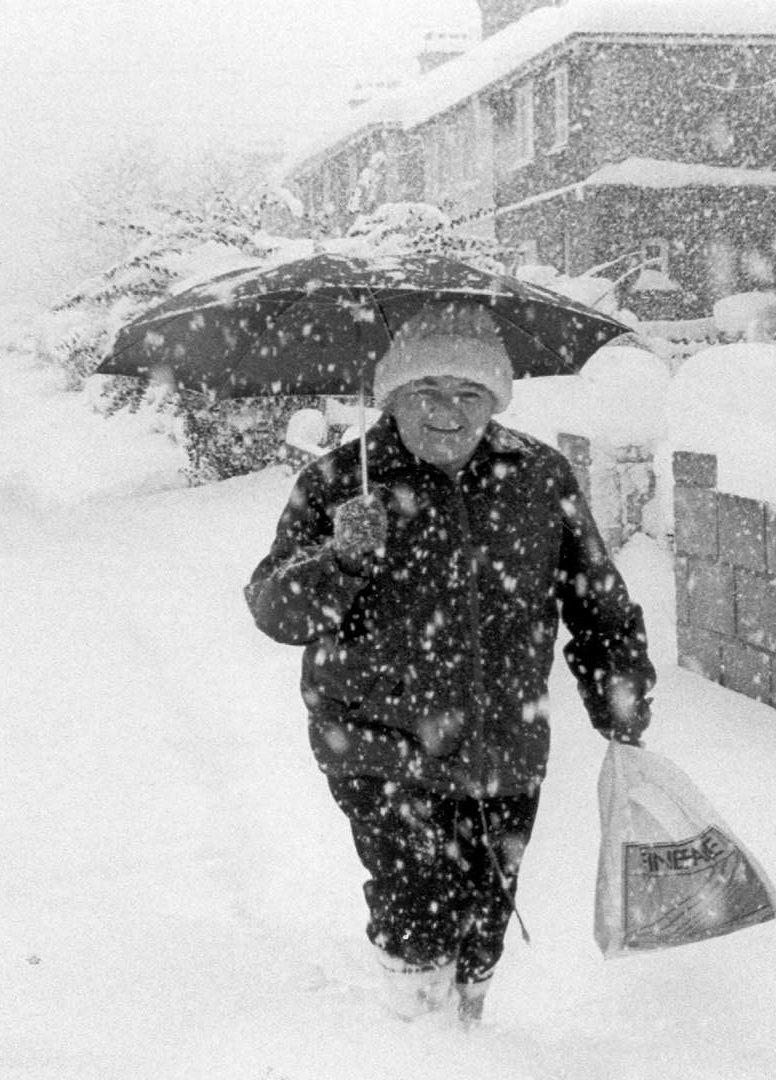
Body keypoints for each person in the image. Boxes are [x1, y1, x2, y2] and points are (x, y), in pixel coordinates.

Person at [244, 304, 656, 1026]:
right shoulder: (341, 482)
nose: (447, 411)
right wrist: (338, 559)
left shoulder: (537, 475)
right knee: (417, 904)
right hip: (379, 742)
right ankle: (418, 1039)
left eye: (469, 395)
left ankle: (463, 1031)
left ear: (494, 402)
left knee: (485, 912)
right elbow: (276, 612)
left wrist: (620, 696)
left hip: (505, 742)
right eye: (426, 391)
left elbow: (599, 600)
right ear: (392, 398)